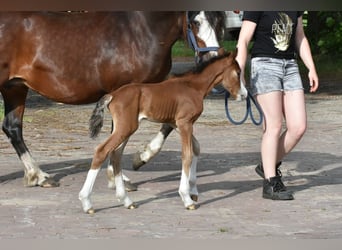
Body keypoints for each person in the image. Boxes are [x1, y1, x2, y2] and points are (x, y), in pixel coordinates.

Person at [235, 11, 319, 200]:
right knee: (273, 125)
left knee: (298, 127)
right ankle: (271, 183)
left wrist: (311, 68)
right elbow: (243, 39)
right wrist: (238, 72)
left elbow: (300, 37)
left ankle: (267, 165)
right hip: (264, 65)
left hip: (290, 65)